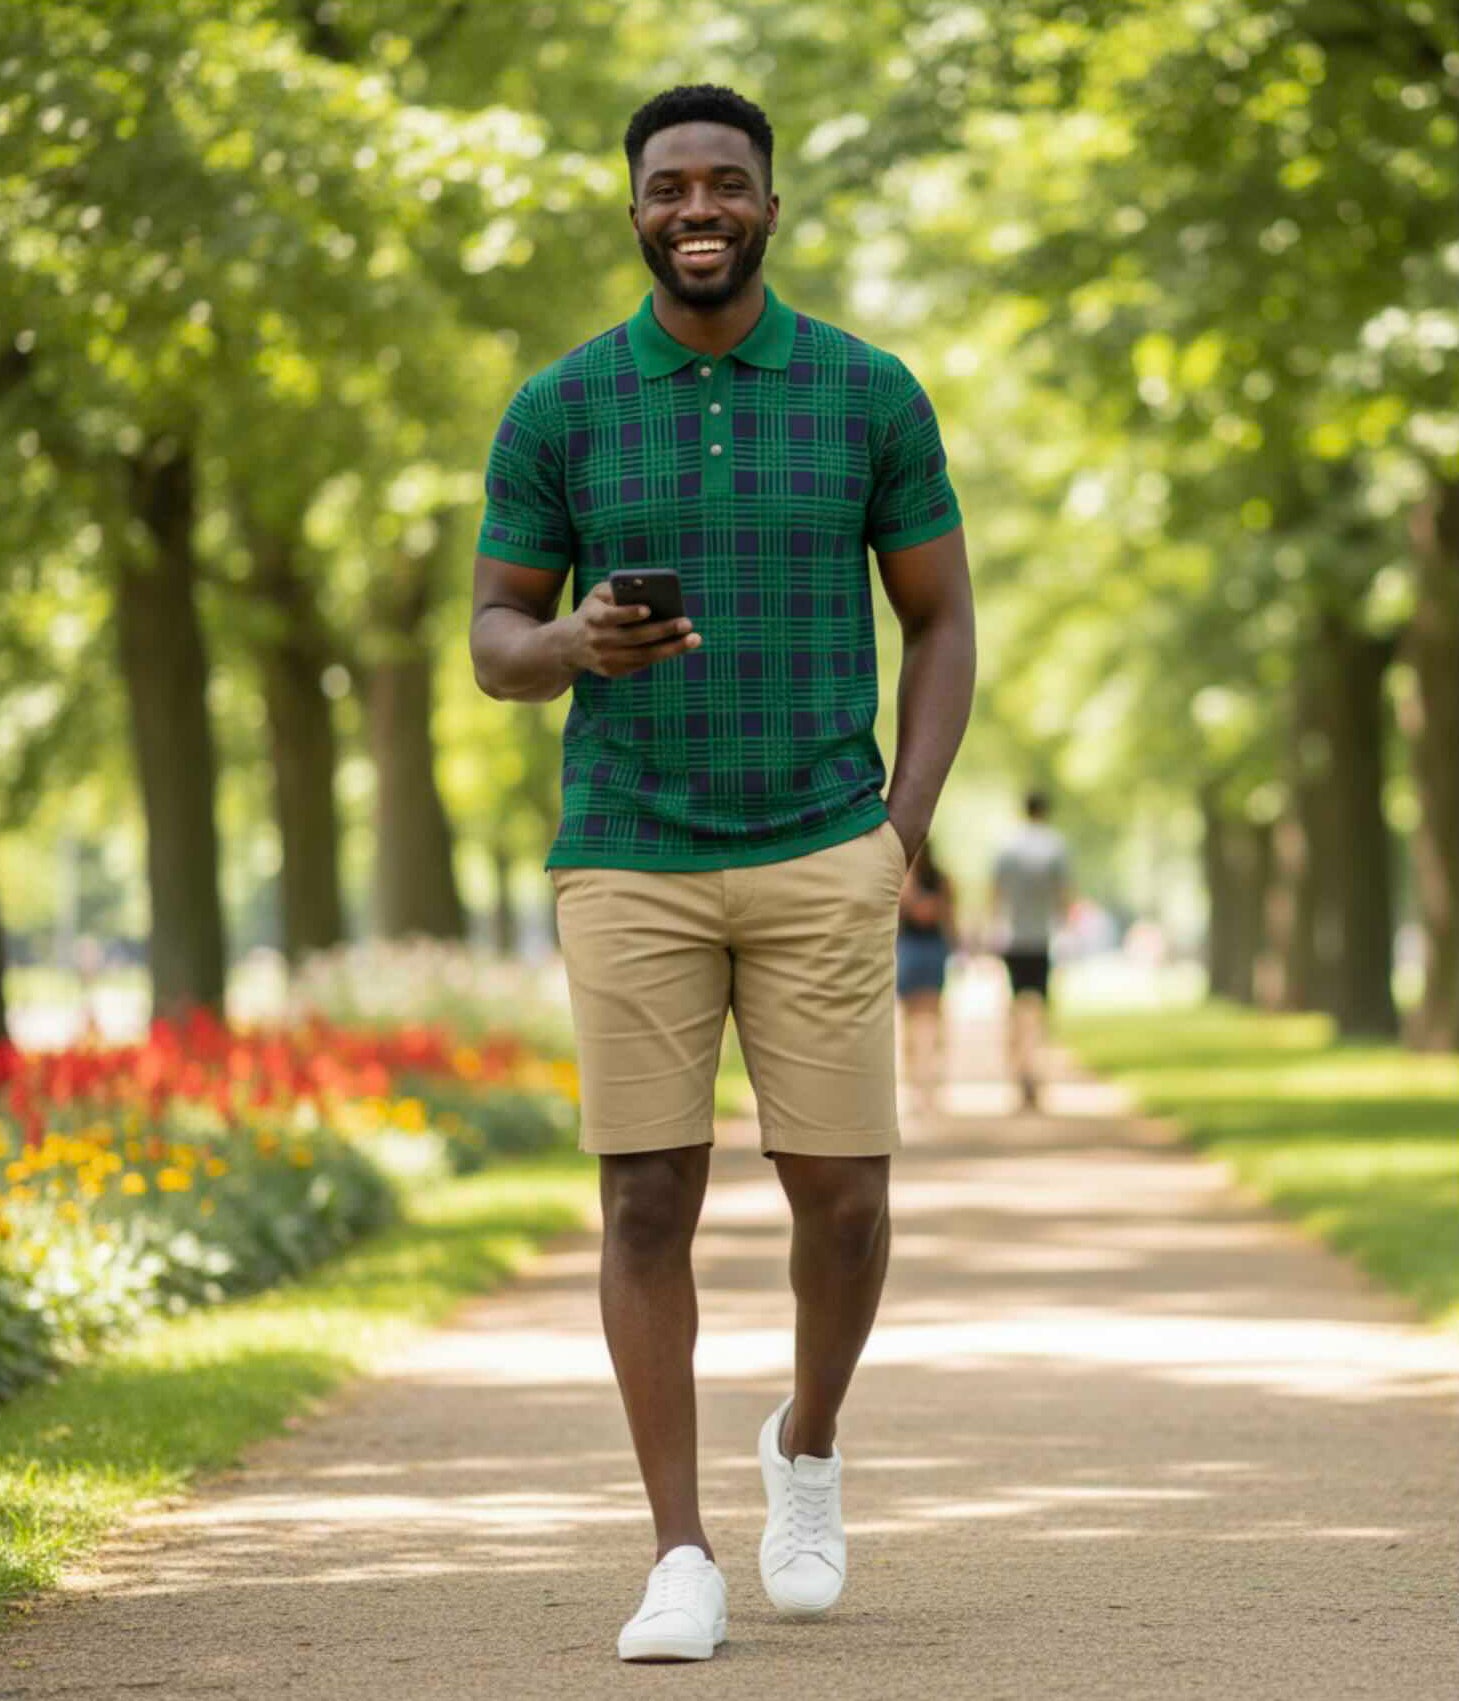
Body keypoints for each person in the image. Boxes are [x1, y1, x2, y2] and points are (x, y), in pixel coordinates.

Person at [468, 84, 975, 1664]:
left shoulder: (864, 390)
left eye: (726, 183)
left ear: (768, 202)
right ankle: (677, 1553)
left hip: (822, 838)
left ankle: (805, 1446)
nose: (698, 206)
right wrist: (568, 640)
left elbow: (940, 618)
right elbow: (493, 642)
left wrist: (896, 828)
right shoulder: (558, 407)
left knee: (841, 1204)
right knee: (642, 1197)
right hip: (628, 849)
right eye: (669, 185)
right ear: (631, 210)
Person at [991, 790, 1072, 1110]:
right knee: (1038, 1008)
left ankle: (1019, 1070)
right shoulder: (1056, 846)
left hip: (1012, 937)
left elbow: (995, 893)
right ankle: (1033, 1069)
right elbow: (1064, 894)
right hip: (1042, 938)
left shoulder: (1007, 846)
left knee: (1016, 1006)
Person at [895, 837, 957, 1116]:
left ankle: (920, 1084)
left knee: (914, 1021)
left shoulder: (904, 880)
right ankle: (928, 1084)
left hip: (914, 950)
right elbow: (947, 918)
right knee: (931, 1020)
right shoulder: (943, 881)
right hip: (930, 950)